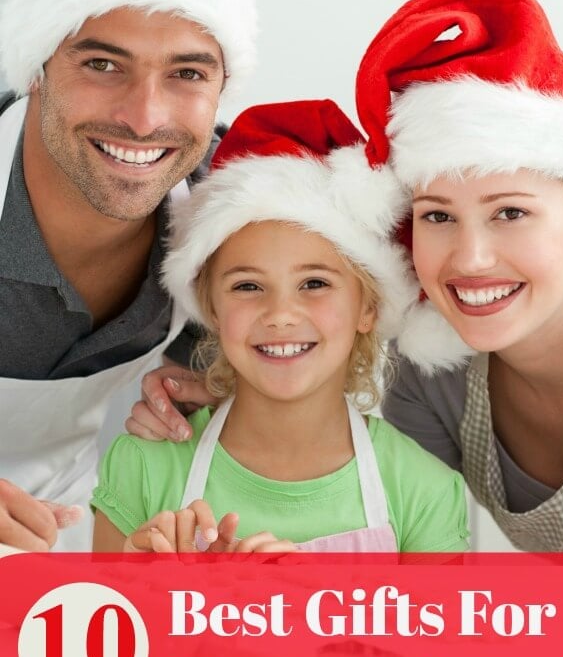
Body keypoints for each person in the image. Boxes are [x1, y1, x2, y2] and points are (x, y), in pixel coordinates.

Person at [0, 0, 256, 551]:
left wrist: (233, 385)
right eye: (103, 65)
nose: (144, 118)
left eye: (187, 73)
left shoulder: (230, 207)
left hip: (71, 551)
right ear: (37, 66)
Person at [91, 99, 469, 553]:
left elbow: (437, 626)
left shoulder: (424, 490)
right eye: (248, 286)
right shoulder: (143, 467)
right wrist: (144, 583)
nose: (281, 314)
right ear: (210, 307)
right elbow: (96, 622)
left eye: (314, 283)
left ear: (367, 307)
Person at [354, 0, 563, 554]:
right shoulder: (432, 378)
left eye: (510, 213)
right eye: (438, 216)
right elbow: (408, 564)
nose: (471, 257)